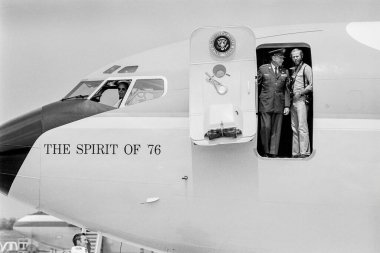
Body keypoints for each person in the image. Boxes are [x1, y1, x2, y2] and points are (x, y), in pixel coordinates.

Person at [258, 48, 290, 157]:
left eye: (282, 58)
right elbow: (256, 86)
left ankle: (273, 153)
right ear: (274, 58)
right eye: (280, 58)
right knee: (265, 128)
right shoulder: (263, 69)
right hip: (265, 103)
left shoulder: (285, 71)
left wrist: (287, 105)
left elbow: (286, 89)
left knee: (277, 130)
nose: (282, 60)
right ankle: (265, 151)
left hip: (279, 104)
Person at [289, 48, 313, 158]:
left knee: (302, 127)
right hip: (293, 100)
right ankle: (295, 152)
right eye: (293, 57)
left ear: (301, 56)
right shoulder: (293, 69)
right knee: (294, 127)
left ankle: (304, 152)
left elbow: (312, 85)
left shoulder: (306, 68)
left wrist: (301, 92)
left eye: (297, 56)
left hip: (302, 100)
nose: (295, 58)